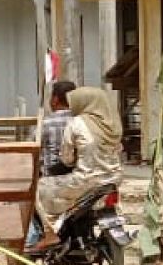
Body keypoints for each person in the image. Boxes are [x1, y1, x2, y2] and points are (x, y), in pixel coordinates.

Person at [30, 87, 123, 251]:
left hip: (85, 180)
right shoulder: (113, 124)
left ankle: (50, 233)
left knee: (38, 187)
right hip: (112, 179)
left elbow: (67, 159)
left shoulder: (77, 123)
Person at [41, 81, 77, 178]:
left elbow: (34, 151)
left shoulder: (45, 123)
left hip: (51, 179)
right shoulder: (81, 122)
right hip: (77, 179)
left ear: (55, 99)